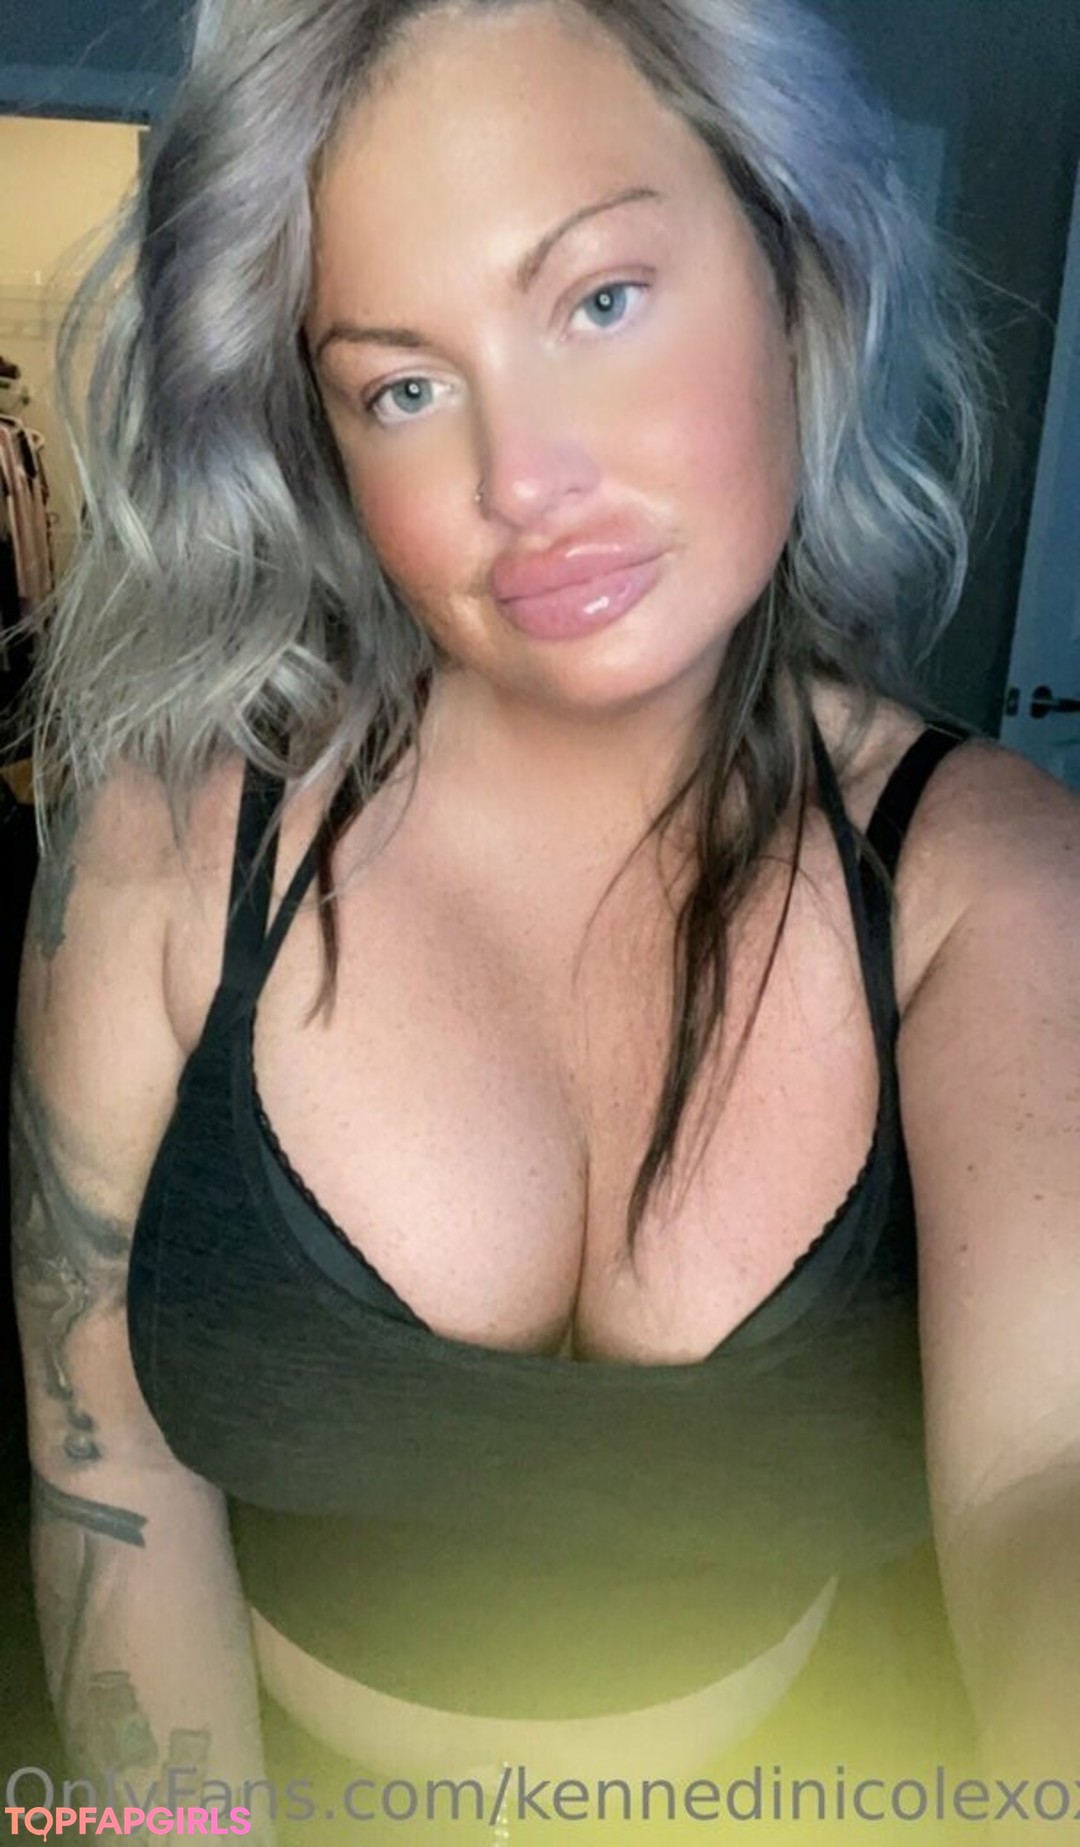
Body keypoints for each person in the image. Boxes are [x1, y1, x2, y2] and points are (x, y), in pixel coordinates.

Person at [11, 0, 1079, 1841]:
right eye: (403, 388)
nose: (523, 483)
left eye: (601, 300)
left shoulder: (987, 879)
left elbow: (1043, 1482)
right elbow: (104, 1471)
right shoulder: (167, 857)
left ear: (791, 267)